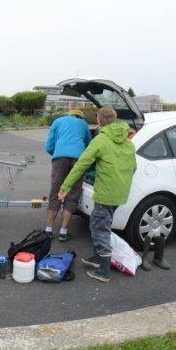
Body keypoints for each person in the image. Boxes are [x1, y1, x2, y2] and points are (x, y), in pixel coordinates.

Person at [57, 106, 136, 282]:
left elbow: (81, 164)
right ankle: (97, 257)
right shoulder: (128, 141)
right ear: (114, 120)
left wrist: (65, 187)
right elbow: (133, 167)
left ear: (99, 121)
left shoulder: (100, 140)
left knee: (100, 227)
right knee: (99, 221)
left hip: (106, 193)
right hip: (120, 193)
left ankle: (104, 270)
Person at [44, 109, 91, 241]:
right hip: (78, 159)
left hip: (59, 159)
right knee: (73, 194)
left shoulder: (58, 122)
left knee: (56, 192)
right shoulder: (83, 124)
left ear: (69, 114)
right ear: (80, 117)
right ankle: (63, 232)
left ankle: (48, 229)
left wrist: (59, 152)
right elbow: (89, 145)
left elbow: (49, 146)